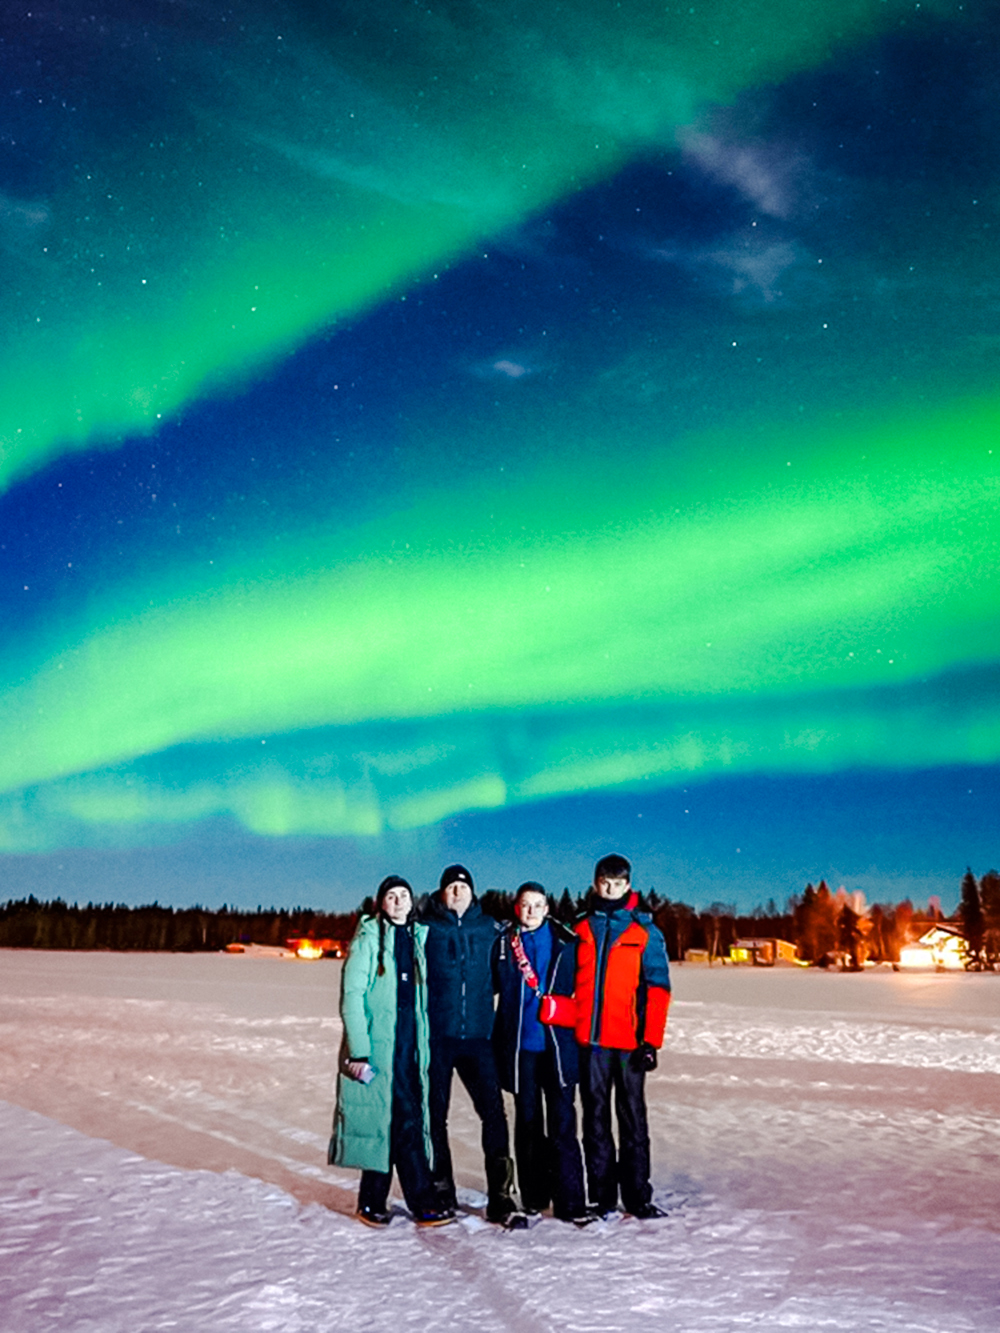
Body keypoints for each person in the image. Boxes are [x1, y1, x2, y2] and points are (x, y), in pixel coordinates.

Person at [329, 875, 454, 1228]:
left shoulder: (417, 937)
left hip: (410, 1045)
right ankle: (419, 1201)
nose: (398, 901)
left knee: (401, 1118)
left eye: (404, 895)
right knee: (396, 1121)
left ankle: (373, 1201)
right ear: (380, 903)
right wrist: (360, 1049)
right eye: (391, 896)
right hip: (379, 1047)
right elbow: (352, 996)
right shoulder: (369, 937)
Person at [419, 864, 520, 1226]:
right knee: (435, 1116)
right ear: (442, 893)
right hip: (438, 1038)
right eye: (451, 887)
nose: (458, 892)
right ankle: (441, 1189)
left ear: (473, 892)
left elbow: (503, 974)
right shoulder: (425, 928)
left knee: (493, 1114)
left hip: (479, 1038)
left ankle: (501, 1195)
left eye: (463, 886)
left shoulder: (490, 929)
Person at [573, 853, 671, 1219]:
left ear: (628, 885)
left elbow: (658, 988)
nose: (610, 888)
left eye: (617, 882)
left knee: (632, 1119)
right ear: (595, 882)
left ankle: (637, 1195)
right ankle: (601, 1195)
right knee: (594, 1119)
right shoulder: (581, 927)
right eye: (604, 882)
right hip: (590, 1042)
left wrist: (651, 1041)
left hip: (629, 1044)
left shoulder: (644, 931)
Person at [492, 882, 590, 1224]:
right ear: (516, 908)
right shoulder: (503, 943)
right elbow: (485, 985)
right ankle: (534, 1196)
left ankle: (571, 1202)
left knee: (563, 1123)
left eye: (537, 904)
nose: (531, 911)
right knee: (529, 1123)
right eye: (525, 905)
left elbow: (588, 988)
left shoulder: (567, 941)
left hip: (559, 1047)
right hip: (521, 1049)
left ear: (547, 908)